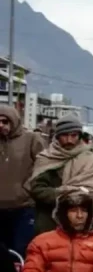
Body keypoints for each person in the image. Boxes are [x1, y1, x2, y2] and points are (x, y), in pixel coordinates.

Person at [27, 115, 93, 235]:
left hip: (82, 223)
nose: (69, 140)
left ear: (79, 136)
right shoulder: (46, 159)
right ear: (57, 136)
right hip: (50, 223)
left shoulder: (91, 160)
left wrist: (76, 197)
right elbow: (37, 190)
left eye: (73, 135)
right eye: (64, 135)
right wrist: (62, 194)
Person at [0, 105, 44, 254]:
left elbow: (43, 166)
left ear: (14, 121)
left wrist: (27, 189)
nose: (1, 125)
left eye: (5, 121)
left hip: (23, 207)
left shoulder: (31, 139)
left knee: (20, 250)